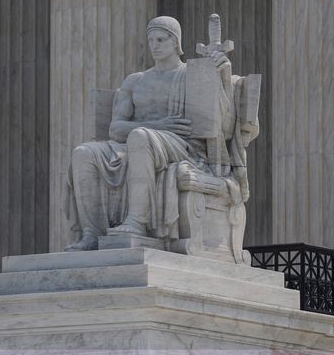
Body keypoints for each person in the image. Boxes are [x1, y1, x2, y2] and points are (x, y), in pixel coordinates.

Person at [64, 16, 234, 251]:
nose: (154, 45)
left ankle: (137, 222)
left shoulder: (190, 75)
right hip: (141, 140)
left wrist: (222, 76)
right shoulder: (135, 81)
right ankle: (92, 232)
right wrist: (160, 124)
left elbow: (222, 123)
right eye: (151, 39)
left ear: (176, 42)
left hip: (182, 146)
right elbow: (115, 128)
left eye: (161, 39)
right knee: (83, 152)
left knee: (140, 137)